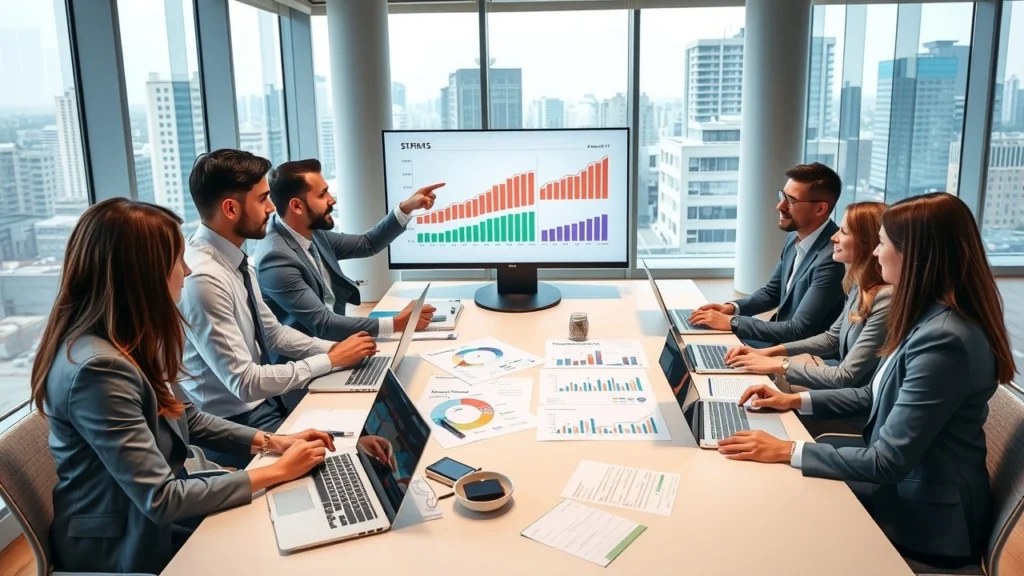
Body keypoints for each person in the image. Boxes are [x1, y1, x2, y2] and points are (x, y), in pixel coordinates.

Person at [32, 198, 336, 574]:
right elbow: (160, 499)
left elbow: (185, 417)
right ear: (143, 275)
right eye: (177, 260)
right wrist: (277, 471)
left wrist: (273, 443)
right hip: (126, 545)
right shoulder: (100, 369)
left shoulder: (121, 341)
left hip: (148, 518)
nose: (187, 269)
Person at [718, 193, 1014, 568]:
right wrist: (793, 401)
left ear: (916, 255)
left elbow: (888, 462)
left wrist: (787, 450)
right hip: (907, 489)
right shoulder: (929, 317)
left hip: (928, 521)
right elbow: (874, 395)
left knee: (776, 521)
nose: (875, 253)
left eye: (884, 244)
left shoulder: (945, 339)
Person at [177, 149, 374, 467]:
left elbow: (273, 334)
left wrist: (338, 352)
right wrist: (329, 360)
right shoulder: (204, 278)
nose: (271, 208)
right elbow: (244, 382)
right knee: (344, 462)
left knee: (361, 437)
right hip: (234, 425)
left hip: (266, 405)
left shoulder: (234, 259)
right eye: (262, 199)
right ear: (230, 208)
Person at [254, 158, 441, 349]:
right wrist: (397, 323)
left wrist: (407, 207)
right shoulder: (275, 258)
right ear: (296, 206)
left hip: (340, 344)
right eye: (322, 194)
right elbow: (324, 324)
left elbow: (367, 244)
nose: (332, 199)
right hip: (307, 362)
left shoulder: (311, 232)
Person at [723, 202, 891, 391]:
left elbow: (846, 376)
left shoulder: (884, 298)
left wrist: (779, 364)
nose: (834, 238)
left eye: (843, 232)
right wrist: (765, 353)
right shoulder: (858, 285)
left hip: (849, 398)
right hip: (834, 381)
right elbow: (831, 338)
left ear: (866, 242)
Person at [689, 163, 846, 347]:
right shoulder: (793, 239)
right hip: (776, 338)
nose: (780, 206)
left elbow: (798, 330)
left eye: (791, 200)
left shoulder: (832, 258)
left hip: (797, 353)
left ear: (820, 209)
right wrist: (731, 309)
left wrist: (732, 322)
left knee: (709, 348)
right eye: (783, 196)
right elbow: (772, 292)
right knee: (699, 341)